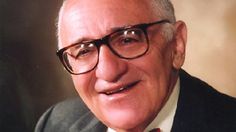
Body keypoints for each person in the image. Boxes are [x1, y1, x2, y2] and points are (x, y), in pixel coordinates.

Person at [35, 0, 236, 131]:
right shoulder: (55, 124)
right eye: (84, 50)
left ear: (176, 44)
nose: (109, 71)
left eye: (127, 40)